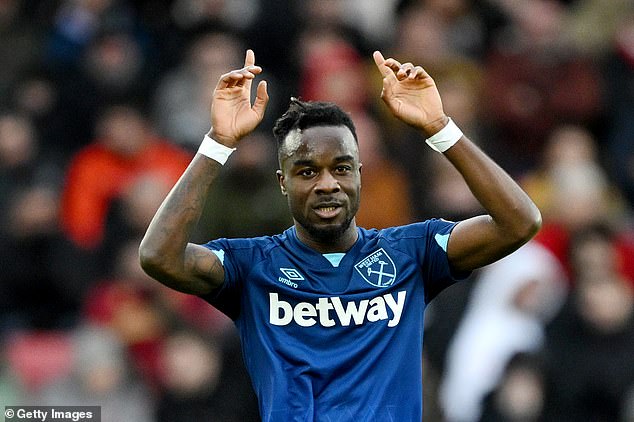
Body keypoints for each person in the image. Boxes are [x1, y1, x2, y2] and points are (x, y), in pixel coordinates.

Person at [139, 49, 541, 420]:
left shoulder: (412, 253)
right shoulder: (252, 266)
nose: (327, 183)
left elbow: (519, 222)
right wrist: (218, 145)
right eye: (308, 171)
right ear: (283, 182)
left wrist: (440, 128)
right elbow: (159, 256)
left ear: (360, 176)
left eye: (342, 168)